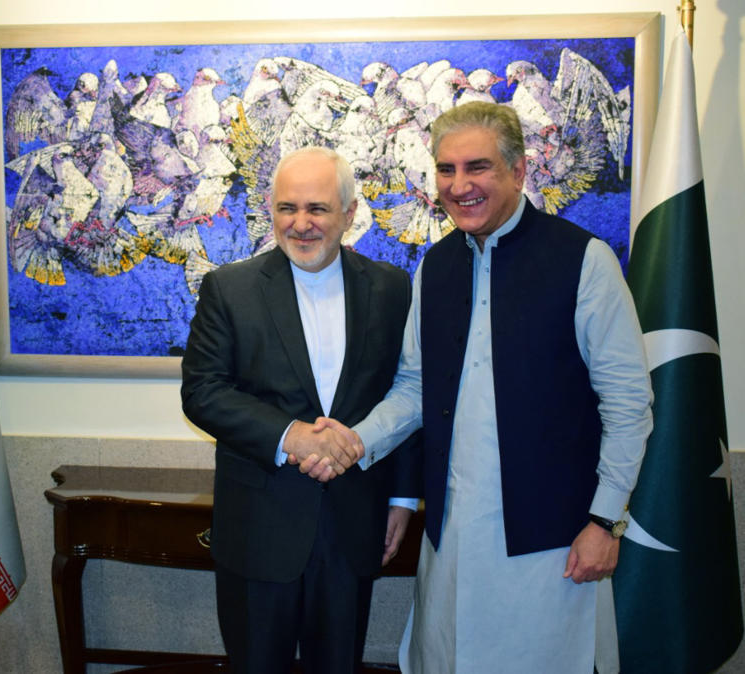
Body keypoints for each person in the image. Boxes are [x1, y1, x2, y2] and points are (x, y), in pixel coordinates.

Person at [307, 102, 654, 672]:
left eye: (478, 168)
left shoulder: (583, 262)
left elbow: (629, 404)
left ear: (519, 171)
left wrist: (604, 522)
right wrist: (352, 441)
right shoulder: (436, 267)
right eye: (446, 170)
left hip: (552, 547)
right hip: (451, 541)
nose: (459, 185)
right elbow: (414, 388)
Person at [181, 146, 419, 674]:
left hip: (354, 524)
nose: (301, 224)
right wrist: (294, 437)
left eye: (317, 209)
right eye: (288, 208)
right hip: (259, 531)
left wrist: (403, 496)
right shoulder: (229, 288)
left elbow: (403, 394)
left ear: (350, 214)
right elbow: (202, 392)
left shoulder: (391, 287)